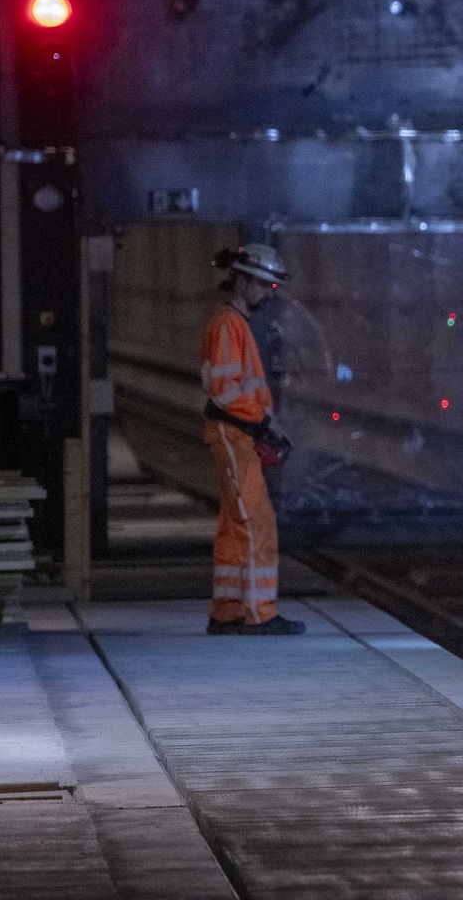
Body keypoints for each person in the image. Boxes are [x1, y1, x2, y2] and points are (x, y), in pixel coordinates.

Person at [201, 244, 303, 635]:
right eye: (262, 284)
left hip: (236, 434)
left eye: (271, 285)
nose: (267, 292)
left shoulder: (235, 324)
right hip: (234, 435)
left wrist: (262, 422)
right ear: (242, 280)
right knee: (256, 523)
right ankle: (260, 613)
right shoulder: (229, 325)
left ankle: (226, 612)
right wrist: (263, 421)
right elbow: (223, 390)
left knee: (233, 525)